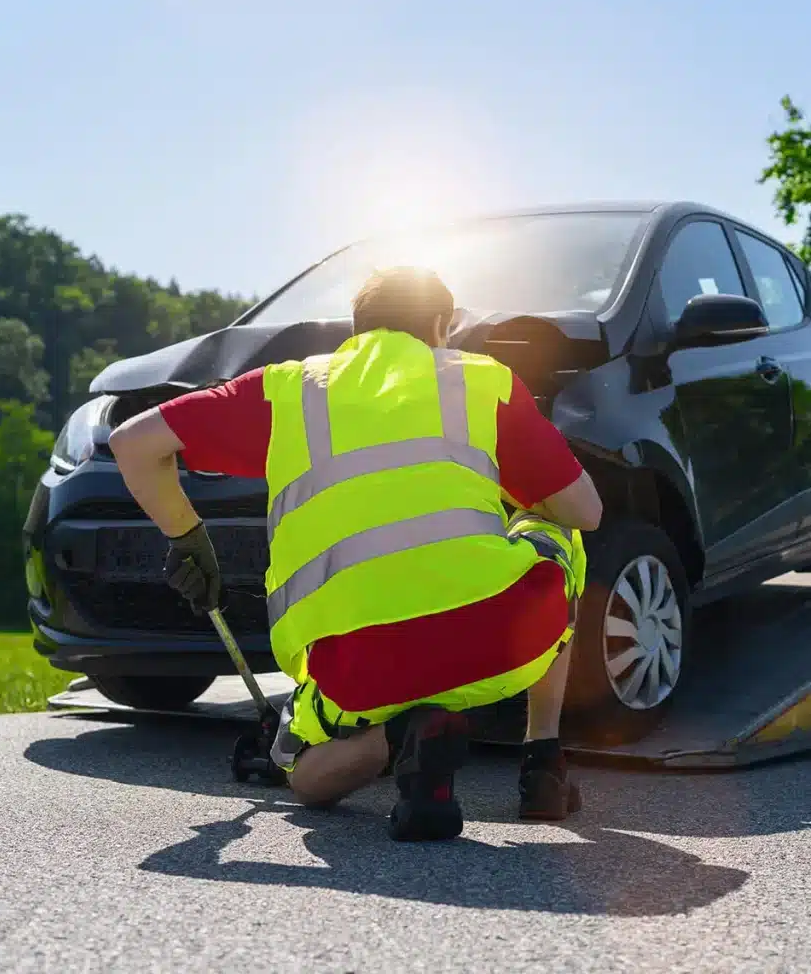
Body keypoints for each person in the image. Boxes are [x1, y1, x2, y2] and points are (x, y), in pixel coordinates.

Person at [109, 266, 603, 842]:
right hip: (491, 638)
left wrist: (188, 538)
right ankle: (542, 763)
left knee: (305, 779)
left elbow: (133, 442)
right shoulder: (482, 381)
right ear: (442, 325)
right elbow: (585, 511)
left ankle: (406, 740)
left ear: (356, 326)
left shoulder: (287, 389)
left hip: (354, 668)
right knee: (556, 533)